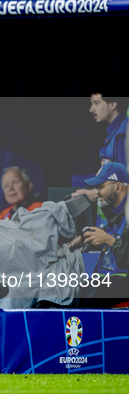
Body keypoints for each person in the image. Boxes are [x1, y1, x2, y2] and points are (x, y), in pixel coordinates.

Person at [69, 162, 129, 308]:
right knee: (69, 288)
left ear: (118, 187)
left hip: (120, 285)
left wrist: (109, 240)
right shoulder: (114, 215)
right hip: (106, 282)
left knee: (90, 295)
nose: (97, 193)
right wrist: (85, 238)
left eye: (101, 187)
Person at [73, 93, 129, 202]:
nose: (91, 109)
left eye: (96, 103)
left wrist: (94, 194)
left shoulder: (123, 133)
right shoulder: (113, 133)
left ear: (112, 104)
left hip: (121, 215)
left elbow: (125, 181)